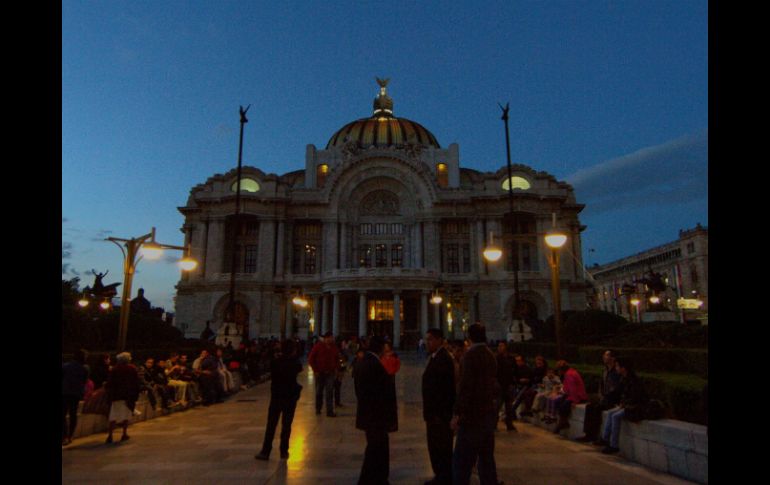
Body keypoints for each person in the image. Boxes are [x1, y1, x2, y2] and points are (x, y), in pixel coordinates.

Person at [451, 323, 502, 485]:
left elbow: (466, 388)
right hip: (487, 413)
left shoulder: (469, 356)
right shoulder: (490, 354)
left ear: (469, 337)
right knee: (487, 459)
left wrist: (458, 413)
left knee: (462, 460)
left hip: (472, 416)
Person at [353, 336, 398, 485]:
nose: (388, 352)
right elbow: (378, 390)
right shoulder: (372, 364)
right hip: (375, 416)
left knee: (376, 448)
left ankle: (377, 478)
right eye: (386, 349)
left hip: (371, 414)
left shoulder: (365, 361)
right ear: (380, 349)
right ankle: (368, 480)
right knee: (375, 449)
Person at [255, 339, 303, 461]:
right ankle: (284, 451)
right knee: (286, 425)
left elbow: (273, 368)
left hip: (276, 397)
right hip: (289, 398)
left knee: (271, 425)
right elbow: (299, 367)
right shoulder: (294, 363)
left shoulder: (275, 362)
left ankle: (266, 451)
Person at [422, 329, 455, 485]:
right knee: (436, 448)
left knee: (440, 448)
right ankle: (441, 476)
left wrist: (439, 414)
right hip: (436, 414)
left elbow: (445, 389)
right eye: (426, 339)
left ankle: (443, 477)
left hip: (439, 415)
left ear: (439, 340)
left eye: (430, 339)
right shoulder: (437, 357)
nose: (427, 343)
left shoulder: (443, 359)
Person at [596, 357, 648, 454]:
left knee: (616, 416)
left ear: (623, 368)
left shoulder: (633, 380)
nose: (616, 368)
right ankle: (605, 438)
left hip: (636, 408)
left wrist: (624, 405)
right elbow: (618, 392)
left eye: (617, 366)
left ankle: (614, 445)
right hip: (627, 405)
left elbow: (636, 397)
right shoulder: (624, 379)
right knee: (610, 413)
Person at [576, 350, 622, 443]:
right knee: (589, 407)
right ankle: (588, 434)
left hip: (612, 399)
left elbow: (616, 388)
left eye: (606, 355)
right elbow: (602, 384)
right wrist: (600, 394)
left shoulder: (616, 372)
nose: (604, 357)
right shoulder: (605, 370)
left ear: (612, 358)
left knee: (597, 409)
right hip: (604, 397)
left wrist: (607, 396)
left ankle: (594, 435)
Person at [105, 352, 140, 444]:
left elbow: (110, 383)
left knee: (113, 416)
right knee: (126, 415)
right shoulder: (132, 369)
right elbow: (136, 382)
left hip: (116, 396)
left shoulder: (114, 369)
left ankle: (110, 435)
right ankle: (124, 433)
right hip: (128, 396)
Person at [308, 332, 340, 417]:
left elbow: (337, 358)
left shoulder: (334, 347)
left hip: (330, 373)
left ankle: (329, 411)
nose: (331, 339)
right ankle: (318, 408)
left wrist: (337, 368)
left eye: (332, 338)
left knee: (329, 392)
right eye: (329, 338)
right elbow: (311, 359)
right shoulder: (318, 346)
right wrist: (315, 370)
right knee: (319, 391)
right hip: (320, 373)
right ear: (325, 338)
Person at [62, 349, 90, 446]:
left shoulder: (65, 366)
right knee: (73, 414)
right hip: (76, 394)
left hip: (64, 392)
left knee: (63, 414)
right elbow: (85, 381)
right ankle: (70, 435)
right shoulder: (85, 368)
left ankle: (64, 436)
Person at [554, 360, 588, 433]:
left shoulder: (569, 374)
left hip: (579, 396)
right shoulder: (569, 373)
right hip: (572, 395)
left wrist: (575, 401)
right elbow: (568, 389)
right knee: (557, 401)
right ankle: (563, 422)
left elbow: (573, 390)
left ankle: (562, 422)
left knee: (564, 405)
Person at [495, 342, 516, 431]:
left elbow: (514, 370)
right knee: (497, 406)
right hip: (500, 384)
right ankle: (494, 424)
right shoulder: (496, 358)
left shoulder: (511, 358)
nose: (500, 348)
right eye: (499, 346)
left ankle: (509, 424)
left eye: (502, 346)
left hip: (508, 384)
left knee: (509, 407)